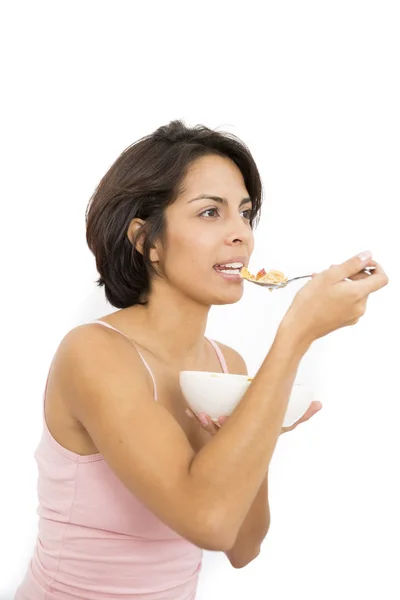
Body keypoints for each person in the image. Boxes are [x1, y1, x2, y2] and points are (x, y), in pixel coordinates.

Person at [15, 120, 389, 600]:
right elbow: (208, 523)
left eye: (245, 214)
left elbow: (242, 544)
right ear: (145, 240)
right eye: (211, 213)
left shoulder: (226, 365)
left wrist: (256, 425)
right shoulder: (94, 353)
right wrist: (296, 334)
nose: (241, 235)